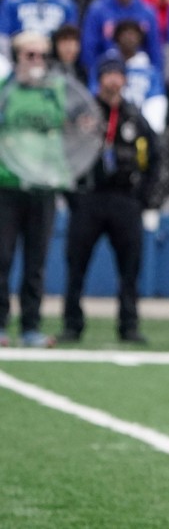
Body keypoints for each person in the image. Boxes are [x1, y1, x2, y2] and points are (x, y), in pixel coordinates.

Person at [60, 52, 159, 345]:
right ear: (99, 78)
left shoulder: (134, 117)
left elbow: (155, 159)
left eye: (118, 74)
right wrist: (72, 195)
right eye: (108, 74)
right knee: (76, 266)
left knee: (130, 269)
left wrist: (142, 197)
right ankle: (71, 325)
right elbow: (65, 153)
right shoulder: (85, 115)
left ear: (125, 79)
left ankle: (128, 326)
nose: (113, 80)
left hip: (124, 199)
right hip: (88, 199)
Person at [0, 32, 73, 348]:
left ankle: (31, 326)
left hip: (43, 187)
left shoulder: (56, 91)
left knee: (36, 262)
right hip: (8, 184)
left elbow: (68, 128)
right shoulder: (5, 92)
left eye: (42, 56)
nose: (37, 62)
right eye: (30, 55)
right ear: (17, 58)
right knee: (2, 259)